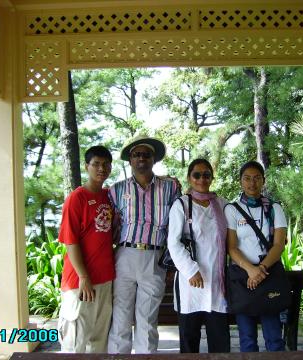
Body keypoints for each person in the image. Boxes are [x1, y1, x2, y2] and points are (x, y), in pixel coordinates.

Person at [107, 135, 181, 354]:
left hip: (155, 257)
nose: (141, 158)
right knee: (120, 317)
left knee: (147, 320)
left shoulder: (170, 187)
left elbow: (177, 227)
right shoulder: (116, 190)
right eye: (136, 154)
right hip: (125, 254)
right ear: (130, 160)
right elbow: (109, 227)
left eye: (146, 154)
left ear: (154, 159)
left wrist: (171, 263)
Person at [167, 159, 230, 353]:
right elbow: (173, 242)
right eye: (197, 175)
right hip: (191, 283)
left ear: (212, 177)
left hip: (217, 282)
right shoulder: (181, 205)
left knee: (219, 342)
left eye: (206, 175)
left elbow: (235, 237)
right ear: (189, 178)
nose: (202, 179)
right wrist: (191, 271)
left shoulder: (222, 204)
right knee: (189, 341)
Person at [57, 145, 115, 353]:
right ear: (86, 166)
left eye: (106, 164)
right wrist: (84, 277)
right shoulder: (77, 198)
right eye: (96, 164)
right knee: (76, 342)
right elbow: (70, 242)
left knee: (99, 342)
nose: (101, 168)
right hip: (79, 283)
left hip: (105, 280)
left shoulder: (109, 196)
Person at [225, 160, 287, 352]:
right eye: (247, 178)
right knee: (247, 339)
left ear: (263, 181)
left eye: (257, 178)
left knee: (274, 339)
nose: (252, 183)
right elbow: (232, 247)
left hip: (267, 275)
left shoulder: (274, 208)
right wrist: (251, 270)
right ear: (240, 182)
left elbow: (279, 245)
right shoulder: (232, 209)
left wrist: (260, 270)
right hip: (243, 278)